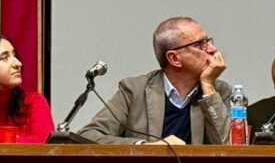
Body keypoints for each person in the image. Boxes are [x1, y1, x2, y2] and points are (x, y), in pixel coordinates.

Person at [77, 17, 231, 144]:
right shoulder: (134, 90)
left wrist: (208, 86)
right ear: (174, 58)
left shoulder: (219, 92)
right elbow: (88, 135)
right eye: (200, 45)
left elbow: (230, 148)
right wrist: (145, 148)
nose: (212, 49)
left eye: (208, 41)